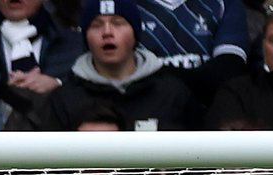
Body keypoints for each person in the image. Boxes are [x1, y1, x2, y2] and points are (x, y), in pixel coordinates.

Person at [22, 0, 197, 130]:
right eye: (97, 26)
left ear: (135, 33)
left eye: (118, 24)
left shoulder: (171, 92)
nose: (107, 32)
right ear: (86, 38)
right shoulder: (64, 99)